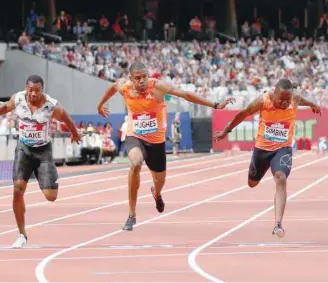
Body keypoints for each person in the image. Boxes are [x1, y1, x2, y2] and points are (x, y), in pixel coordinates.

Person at [95, 62, 234, 231]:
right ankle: (132, 214)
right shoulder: (124, 87)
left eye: (144, 77)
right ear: (131, 79)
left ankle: (156, 193)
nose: (141, 81)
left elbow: (185, 94)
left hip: (156, 142)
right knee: (136, 163)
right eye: (137, 78)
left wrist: (214, 105)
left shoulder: (157, 87)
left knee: (159, 181)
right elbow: (112, 87)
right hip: (135, 135)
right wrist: (100, 105)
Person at [0, 75, 81, 248]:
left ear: (42, 90)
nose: (33, 94)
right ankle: (21, 234)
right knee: (18, 189)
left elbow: (66, 119)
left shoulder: (51, 105)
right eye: (30, 90)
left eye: (37, 90)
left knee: (51, 196)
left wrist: (74, 133)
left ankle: (44, 175)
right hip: (24, 149)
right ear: (26, 88)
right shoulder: (18, 99)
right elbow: (5, 107)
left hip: (43, 151)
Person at [214, 79, 323, 238]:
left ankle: (278, 224)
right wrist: (226, 130)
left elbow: (301, 99)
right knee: (252, 183)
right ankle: (258, 173)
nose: (285, 103)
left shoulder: (295, 99)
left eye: (288, 99)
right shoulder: (262, 101)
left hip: (283, 148)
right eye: (281, 99)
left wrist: (312, 104)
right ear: (274, 93)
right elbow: (243, 113)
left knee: (281, 178)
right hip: (262, 149)